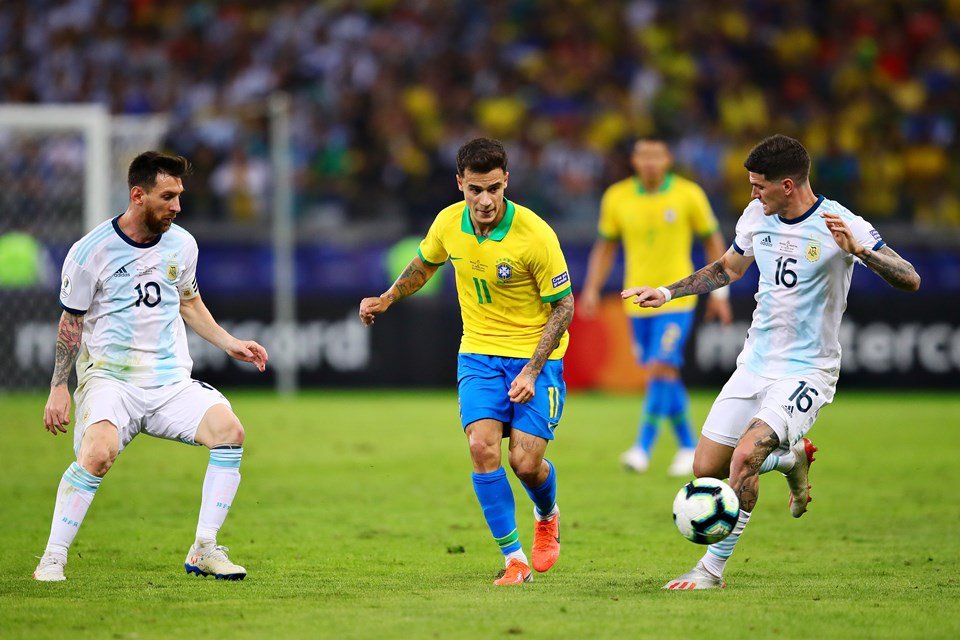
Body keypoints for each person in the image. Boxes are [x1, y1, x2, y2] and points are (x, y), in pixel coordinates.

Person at [622, 134, 920, 589]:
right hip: (755, 362)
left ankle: (710, 570)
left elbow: (910, 279)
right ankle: (790, 459)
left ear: (787, 184)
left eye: (758, 185)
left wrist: (861, 253)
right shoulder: (756, 215)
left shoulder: (840, 222)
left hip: (807, 370)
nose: (752, 193)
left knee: (745, 457)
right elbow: (727, 268)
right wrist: (666, 292)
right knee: (707, 469)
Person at [34, 151, 269, 582]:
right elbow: (72, 320)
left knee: (230, 431)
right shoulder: (90, 252)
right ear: (138, 195)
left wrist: (229, 342)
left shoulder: (183, 244)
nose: (177, 207)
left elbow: (188, 301)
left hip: (169, 382)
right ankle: (52, 557)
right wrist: (58, 387)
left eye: (180, 196)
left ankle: (204, 548)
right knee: (98, 454)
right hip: (110, 379)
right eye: (168, 196)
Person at [359, 138, 574, 585]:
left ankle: (546, 512)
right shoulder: (448, 223)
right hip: (477, 353)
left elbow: (564, 306)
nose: (485, 200)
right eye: (475, 189)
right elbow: (424, 263)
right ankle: (515, 560)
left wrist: (533, 369)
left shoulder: (535, 236)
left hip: (536, 357)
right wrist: (389, 296)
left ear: (506, 182)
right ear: (460, 183)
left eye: (494, 188)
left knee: (526, 464)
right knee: (481, 448)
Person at [580, 137, 733, 476]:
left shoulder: (688, 194)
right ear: (633, 160)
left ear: (668, 159)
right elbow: (605, 248)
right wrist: (591, 288)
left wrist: (719, 294)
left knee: (661, 366)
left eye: (657, 155)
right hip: (637, 302)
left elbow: (712, 240)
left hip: (676, 297)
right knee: (664, 372)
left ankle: (642, 447)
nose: (650, 162)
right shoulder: (616, 197)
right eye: (643, 155)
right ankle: (688, 445)